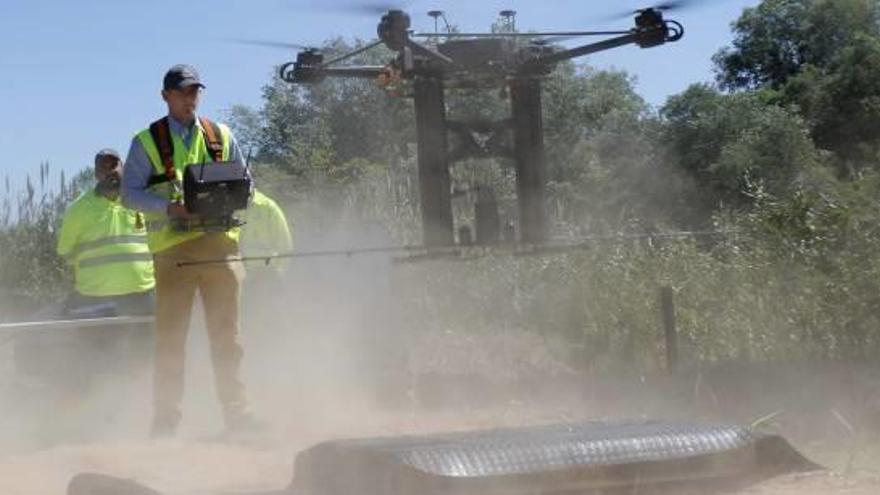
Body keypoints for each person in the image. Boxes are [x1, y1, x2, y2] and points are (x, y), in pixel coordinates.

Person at [121, 64, 257, 437]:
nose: (190, 98)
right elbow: (129, 193)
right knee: (170, 340)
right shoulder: (146, 141)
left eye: (195, 91)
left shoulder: (221, 134)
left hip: (221, 249)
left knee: (228, 337)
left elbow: (249, 184)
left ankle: (238, 415)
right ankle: (166, 422)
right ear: (165, 96)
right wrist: (170, 207)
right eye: (183, 92)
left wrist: (231, 198)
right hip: (173, 252)